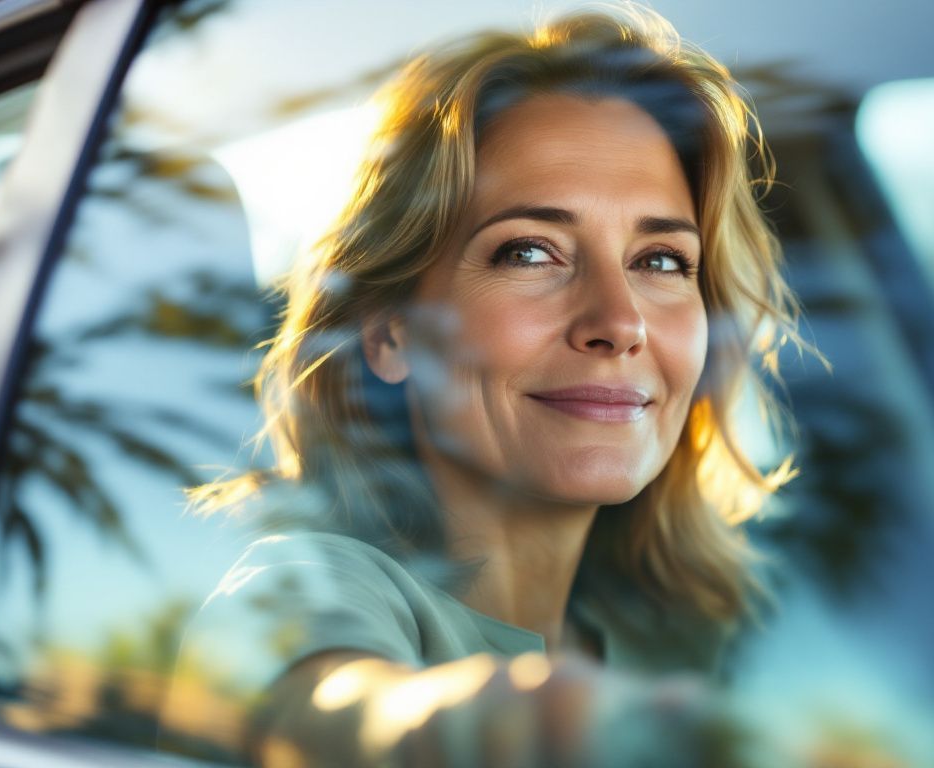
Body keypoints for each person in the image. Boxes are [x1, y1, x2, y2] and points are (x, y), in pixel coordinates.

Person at [159, 5, 803, 765]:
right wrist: (501, 721)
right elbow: (328, 708)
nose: (619, 319)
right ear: (389, 331)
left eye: (661, 260)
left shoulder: (708, 630)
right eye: (530, 252)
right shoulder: (310, 579)